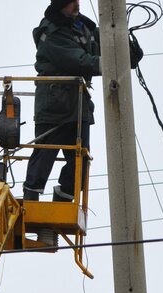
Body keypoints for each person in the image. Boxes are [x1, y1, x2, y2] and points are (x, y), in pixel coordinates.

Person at [23, 0, 101, 204]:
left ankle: (63, 199)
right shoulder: (52, 32)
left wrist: (127, 48)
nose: (77, 5)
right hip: (54, 103)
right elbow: (78, 61)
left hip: (78, 104)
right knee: (45, 154)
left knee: (80, 159)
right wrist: (110, 63)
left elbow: (102, 45)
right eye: (71, 2)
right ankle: (30, 201)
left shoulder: (82, 26)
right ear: (60, 5)